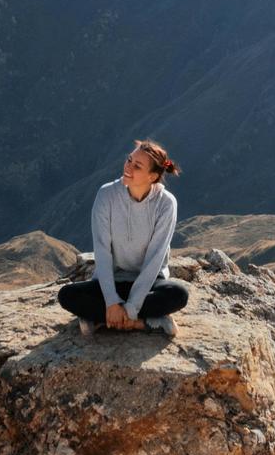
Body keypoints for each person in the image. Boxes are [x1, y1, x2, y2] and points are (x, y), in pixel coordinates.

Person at [58, 139, 189, 338]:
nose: (128, 167)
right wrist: (112, 301)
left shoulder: (166, 204)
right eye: (129, 160)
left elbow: (155, 258)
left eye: (137, 166)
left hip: (150, 283)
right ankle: (145, 322)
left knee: (179, 294)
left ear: (152, 176)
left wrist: (131, 307)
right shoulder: (106, 195)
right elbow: (102, 251)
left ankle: (104, 319)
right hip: (112, 280)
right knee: (67, 295)